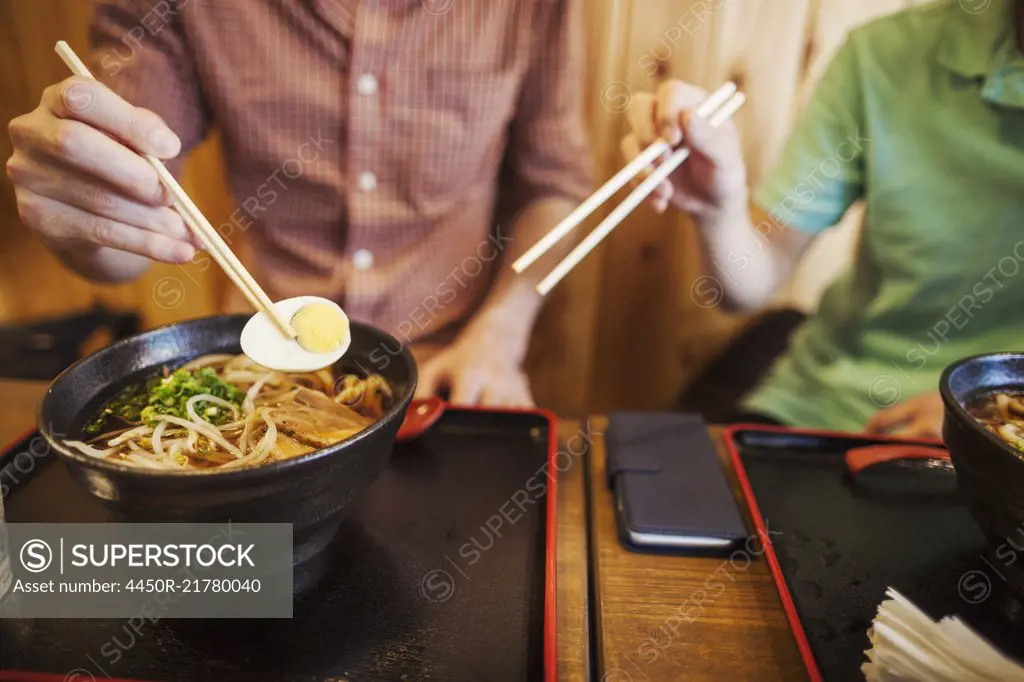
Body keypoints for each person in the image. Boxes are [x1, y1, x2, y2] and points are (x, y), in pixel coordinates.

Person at [6, 0, 591, 407]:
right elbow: (130, 208)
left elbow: (555, 186)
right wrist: (81, 210)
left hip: (450, 371)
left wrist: (500, 335)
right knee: (231, 583)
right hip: (258, 365)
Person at [621, 0, 1024, 438]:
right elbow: (753, 276)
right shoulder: (888, 54)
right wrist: (718, 210)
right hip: (824, 407)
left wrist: (987, 411)